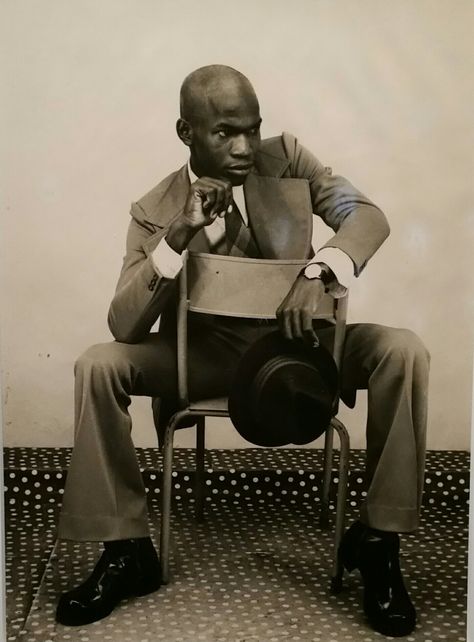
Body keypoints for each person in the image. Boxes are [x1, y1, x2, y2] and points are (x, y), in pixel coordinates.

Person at [55, 65, 430, 637]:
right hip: (211, 360)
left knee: (404, 352)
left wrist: (318, 268)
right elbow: (124, 323)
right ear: (186, 132)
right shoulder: (154, 208)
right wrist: (178, 236)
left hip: (306, 351)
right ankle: (125, 548)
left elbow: (366, 216)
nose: (245, 147)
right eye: (225, 133)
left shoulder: (290, 160)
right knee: (98, 364)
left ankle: (378, 539)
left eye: (253, 130)